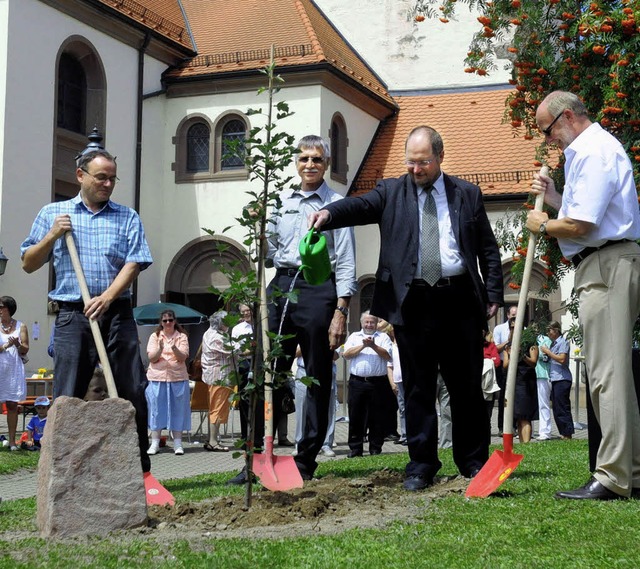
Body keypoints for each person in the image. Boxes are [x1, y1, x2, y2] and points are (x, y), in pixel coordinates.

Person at [309, 125, 503, 490]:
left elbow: (488, 251)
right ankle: (421, 464)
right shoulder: (391, 191)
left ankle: (473, 461)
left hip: (459, 299)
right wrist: (329, 215)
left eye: (423, 162)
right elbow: (360, 205)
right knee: (417, 387)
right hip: (412, 302)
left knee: (466, 388)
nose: (416, 170)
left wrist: (493, 294)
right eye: (411, 162)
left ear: (440, 157)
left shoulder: (467, 194)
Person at [526, 90, 640, 500]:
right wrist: (555, 199)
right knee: (612, 374)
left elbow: (582, 225)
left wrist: (541, 223)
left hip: (607, 264)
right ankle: (632, 471)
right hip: (606, 262)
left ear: (568, 117)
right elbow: (581, 212)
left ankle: (611, 477)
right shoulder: (592, 151)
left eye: (549, 130)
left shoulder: (592, 151)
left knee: (606, 376)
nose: (549, 140)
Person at [21, 148, 153, 473]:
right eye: (101, 177)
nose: (107, 184)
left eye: (112, 178)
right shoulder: (55, 213)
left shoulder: (127, 217)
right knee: (67, 394)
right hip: (72, 315)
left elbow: (135, 262)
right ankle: (60, 470)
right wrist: (52, 235)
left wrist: (107, 297)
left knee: (132, 388)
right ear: (81, 176)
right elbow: (28, 263)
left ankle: (139, 468)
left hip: (116, 313)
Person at [266, 134, 357, 481]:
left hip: (319, 287)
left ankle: (306, 457)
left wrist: (341, 309)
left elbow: (346, 259)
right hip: (281, 283)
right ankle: (260, 452)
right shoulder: (279, 201)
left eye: (316, 159)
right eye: (303, 159)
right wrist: (259, 225)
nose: (309, 165)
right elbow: (269, 251)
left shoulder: (337, 204)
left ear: (327, 164)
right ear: (296, 162)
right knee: (268, 369)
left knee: (317, 375)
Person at [342, 311, 393, 457]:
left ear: (376, 323)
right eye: (367, 322)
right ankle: (356, 449)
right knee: (356, 416)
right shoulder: (354, 336)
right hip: (357, 382)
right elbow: (346, 354)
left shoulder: (383, 337)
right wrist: (363, 346)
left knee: (377, 417)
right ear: (361, 323)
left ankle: (375, 448)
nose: (369, 325)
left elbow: (388, 355)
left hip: (378, 383)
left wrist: (373, 346)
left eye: (372, 322)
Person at [145, 310, 191, 456]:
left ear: (175, 321)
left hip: (177, 377)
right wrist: (160, 348)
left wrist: (174, 348)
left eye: (170, 320)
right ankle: (155, 443)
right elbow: (152, 358)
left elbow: (183, 357)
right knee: (156, 410)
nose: (168, 323)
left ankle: (178, 443)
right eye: (165, 321)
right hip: (157, 377)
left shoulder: (182, 336)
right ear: (161, 322)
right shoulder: (155, 336)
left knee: (178, 410)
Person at [201, 310, 235, 453]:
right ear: (221, 323)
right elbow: (234, 350)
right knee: (217, 408)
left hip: (215, 376)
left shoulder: (209, 333)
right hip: (219, 378)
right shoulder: (217, 337)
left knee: (216, 407)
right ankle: (213, 441)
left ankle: (212, 439)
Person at [0, 296, 30, 451]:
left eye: (1, 307)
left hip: (12, 369)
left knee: (12, 405)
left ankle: (12, 441)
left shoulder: (21, 326)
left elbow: (25, 349)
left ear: (9, 309)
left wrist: (18, 344)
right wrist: (6, 345)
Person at [503, 318, 538, 443]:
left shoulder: (530, 343)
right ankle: (522, 443)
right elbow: (505, 365)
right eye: (511, 328)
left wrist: (522, 355)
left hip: (526, 382)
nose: (513, 331)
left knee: (524, 416)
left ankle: (527, 444)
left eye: (515, 328)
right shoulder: (508, 346)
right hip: (514, 382)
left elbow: (533, 362)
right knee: (517, 417)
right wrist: (511, 355)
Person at [541, 321, 574, 441]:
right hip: (554, 378)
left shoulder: (562, 342)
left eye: (549, 330)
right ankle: (563, 432)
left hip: (562, 378)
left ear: (556, 330)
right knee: (556, 407)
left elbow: (562, 359)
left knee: (562, 407)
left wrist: (548, 352)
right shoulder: (553, 343)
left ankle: (568, 433)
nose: (548, 333)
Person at [492, 305, 517, 434]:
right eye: (513, 316)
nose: (514, 318)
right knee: (503, 397)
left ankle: (515, 426)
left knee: (516, 397)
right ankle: (502, 427)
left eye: (517, 316)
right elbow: (495, 349)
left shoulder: (523, 329)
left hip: (517, 365)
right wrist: (508, 341)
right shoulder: (499, 329)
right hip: (503, 365)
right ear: (508, 315)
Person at [385, 325, 407, 446]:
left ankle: (412, 434)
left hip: (408, 380)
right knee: (402, 409)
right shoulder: (391, 347)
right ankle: (404, 435)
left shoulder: (406, 344)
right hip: (398, 380)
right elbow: (389, 366)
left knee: (411, 408)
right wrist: (392, 382)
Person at [535, 329, 553, 441]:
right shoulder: (527, 339)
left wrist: (539, 352)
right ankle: (529, 430)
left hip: (543, 374)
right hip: (530, 375)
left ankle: (545, 432)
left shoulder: (545, 340)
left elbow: (546, 357)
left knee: (543, 404)